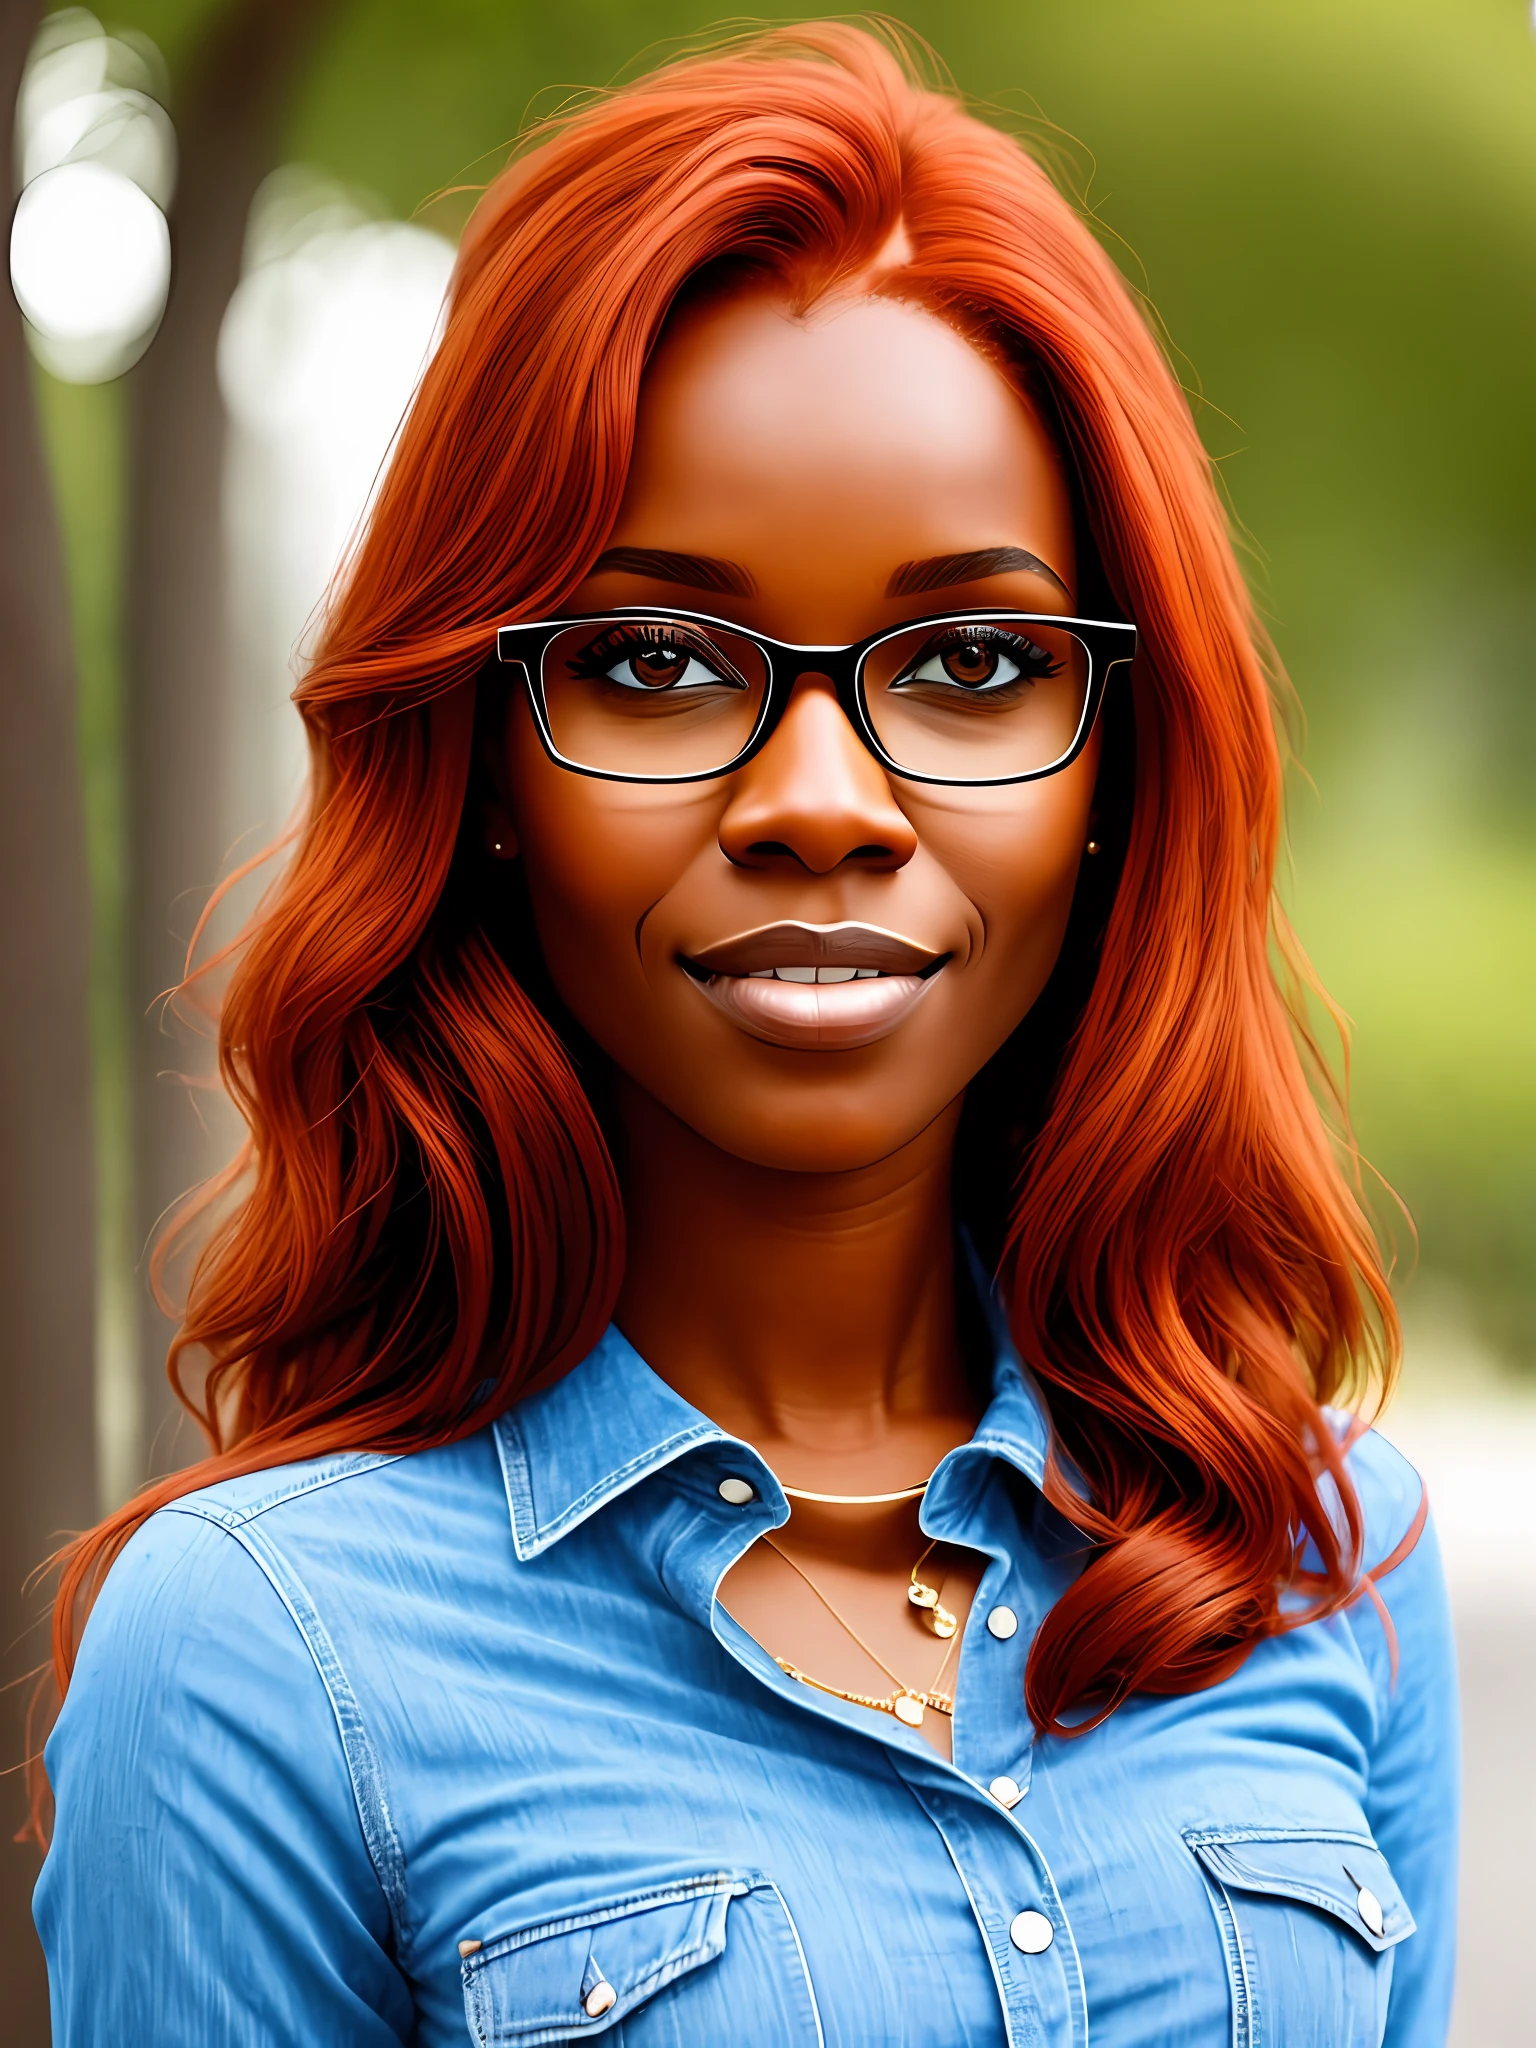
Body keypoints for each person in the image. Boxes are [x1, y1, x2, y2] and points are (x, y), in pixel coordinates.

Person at [35, 23, 1456, 2047]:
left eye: (971, 661)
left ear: (1118, 767)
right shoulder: (266, 1656)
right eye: (653, 659)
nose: (820, 796)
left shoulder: (1328, 1558)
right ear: (487, 762)